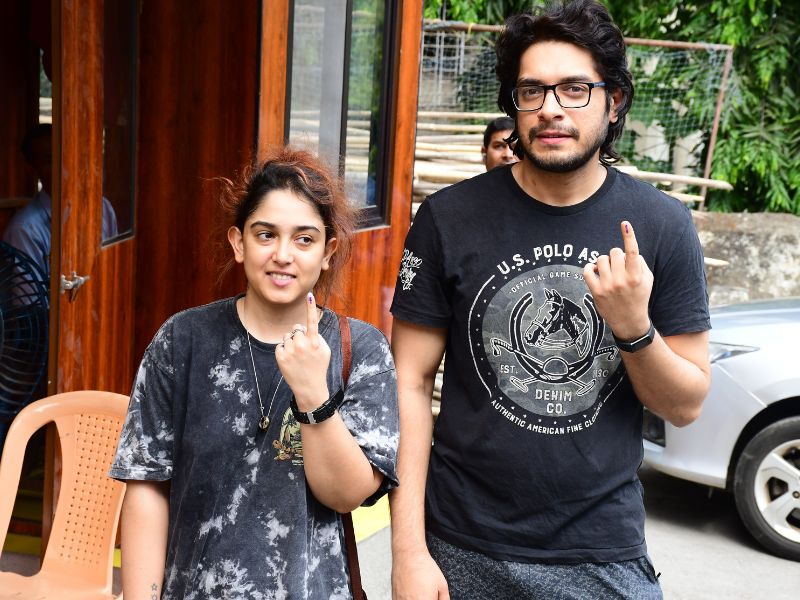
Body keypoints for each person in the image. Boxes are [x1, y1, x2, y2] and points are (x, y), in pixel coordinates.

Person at [389, 1, 711, 598]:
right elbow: (409, 383)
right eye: (532, 90)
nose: (551, 108)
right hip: (459, 543)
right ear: (514, 104)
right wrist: (407, 552)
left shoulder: (661, 225)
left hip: (601, 550)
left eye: (574, 89)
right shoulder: (448, 219)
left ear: (614, 102)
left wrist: (634, 328)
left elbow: (685, 404)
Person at [110, 147, 399, 599]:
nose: (283, 254)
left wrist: (313, 394)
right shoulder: (182, 340)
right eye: (266, 235)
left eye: (304, 239)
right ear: (238, 242)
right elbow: (147, 485)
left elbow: (348, 494)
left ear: (328, 251)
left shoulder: (361, 349)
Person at [2, 123, 118, 279]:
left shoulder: (103, 208)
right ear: (32, 169)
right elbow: (31, 294)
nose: (64, 167)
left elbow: (113, 273)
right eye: (50, 161)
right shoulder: (24, 230)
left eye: (67, 155)